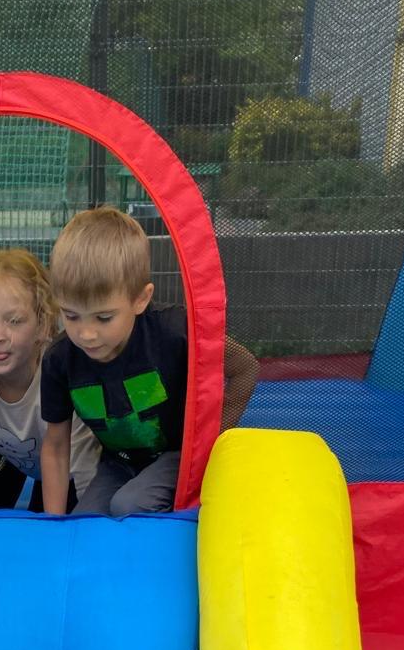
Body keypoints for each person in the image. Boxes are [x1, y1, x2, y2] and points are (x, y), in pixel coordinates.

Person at [40, 206, 258, 516]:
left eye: (104, 317)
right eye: (71, 316)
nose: (86, 334)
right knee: (85, 523)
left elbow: (245, 367)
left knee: (128, 505)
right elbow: (56, 446)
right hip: (118, 464)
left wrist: (208, 445)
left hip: (177, 456)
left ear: (140, 299)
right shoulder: (60, 359)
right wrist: (55, 523)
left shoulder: (175, 331)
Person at [0, 247, 98, 511]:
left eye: (14, 321)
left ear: (43, 324)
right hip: (8, 459)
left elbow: (85, 469)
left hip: (67, 471)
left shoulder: (64, 371)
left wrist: (86, 521)